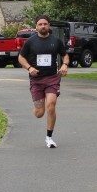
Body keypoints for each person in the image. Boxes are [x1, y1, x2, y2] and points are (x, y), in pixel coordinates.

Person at [18, 15, 70, 148]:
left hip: (52, 78)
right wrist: (29, 68)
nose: (43, 26)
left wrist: (65, 65)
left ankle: (49, 138)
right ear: (36, 26)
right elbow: (21, 58)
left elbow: (65, 55)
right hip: (36, 79)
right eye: (40, 24)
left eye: (45, 24)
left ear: (49, 25)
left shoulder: (56, 41)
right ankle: (37, 108)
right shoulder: (30, 42)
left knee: (51, 105)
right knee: (39, 113)